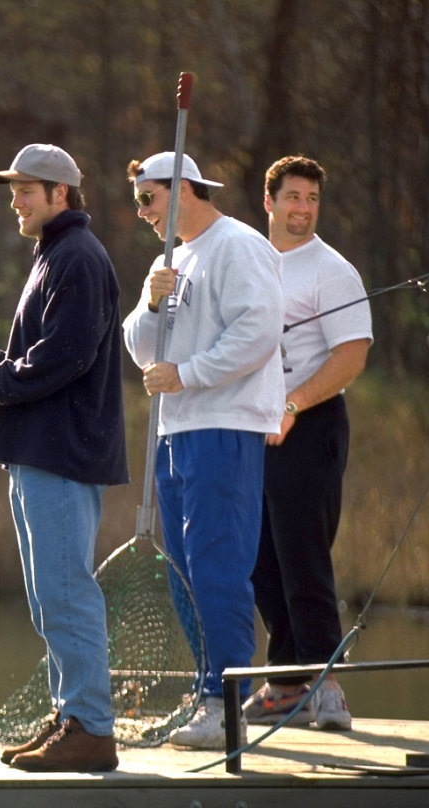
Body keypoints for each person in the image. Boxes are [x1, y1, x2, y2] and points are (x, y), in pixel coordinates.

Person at [0, 143, 128, 772]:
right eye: (13, 189)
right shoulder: (54, 255)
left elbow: (67, 358)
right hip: (37, 450)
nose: (15, 200)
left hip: (61, 454)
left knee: (66, 590)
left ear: (61, 194)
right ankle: (71, 717)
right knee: (46, 595)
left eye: (27, 190)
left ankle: (91, 731)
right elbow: (48, 350)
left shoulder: (77, 257)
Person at [122, 152, 285, 749]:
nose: (141, 211)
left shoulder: (237, 246)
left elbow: (259, 332)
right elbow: (139, 350)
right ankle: (206, 692)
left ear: (185, 190)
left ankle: (228, 703)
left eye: (148, 198)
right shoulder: (169, 260)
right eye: (137, 200)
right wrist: (150, 300)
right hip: (176, 431)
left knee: (218, 564)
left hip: (225, 423)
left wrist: (188, 374)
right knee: (185, 573)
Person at [243, 156, 372, 731]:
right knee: (257, 558)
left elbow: (352, 355)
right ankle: (286, 682)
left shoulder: (332, 270)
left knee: (303, 557)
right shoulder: (246, 258)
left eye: (311, 199)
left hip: (310, 424)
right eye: (292, 197)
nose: (302, 209)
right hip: (250, 424)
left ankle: (327, 688)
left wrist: (292, 405)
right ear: (268, 201)